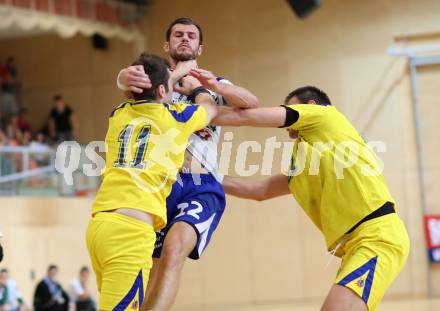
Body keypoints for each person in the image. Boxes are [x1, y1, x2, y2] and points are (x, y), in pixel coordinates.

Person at [211, 85, 410, 311]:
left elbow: (251, 116)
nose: (287, 122)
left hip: (378, 237)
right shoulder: (308, 159)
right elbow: (260, 190)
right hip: (356, 244)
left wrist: (200, 114)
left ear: (311, 106)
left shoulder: (325, 115)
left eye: (291, 108)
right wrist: (206, 176)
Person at [117, 17, 259, 311]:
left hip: (200, 184)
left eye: (191, 36)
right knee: (150, 266)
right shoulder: (156, 82)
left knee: (174, 251)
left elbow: (250, 102)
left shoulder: (213, 84)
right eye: (178, 35)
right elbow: (124, 84)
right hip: (161, 184)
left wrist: (211, 84)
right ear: (166, 45)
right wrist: (126, 76)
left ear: (200, 47)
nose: (185, 39)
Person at [87, 53, 220, 311]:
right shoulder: (174, 117)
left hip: (99, 226)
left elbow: (139, 90)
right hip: (131, 232)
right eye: (169, 87)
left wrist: (124, 79)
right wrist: (199, 88)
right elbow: (211, 108)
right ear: (161, 90)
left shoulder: (118, 114)